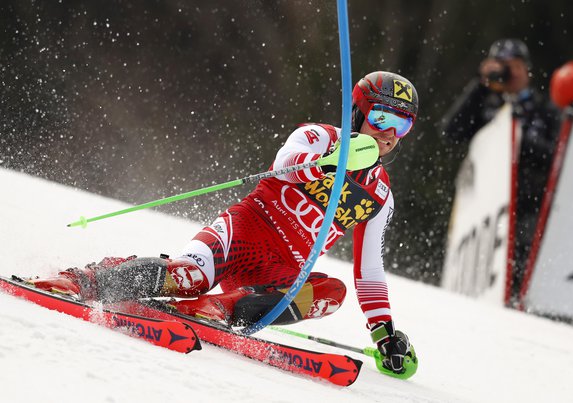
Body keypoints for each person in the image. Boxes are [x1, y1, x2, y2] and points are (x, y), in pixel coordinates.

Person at [29, 71, 419, 376]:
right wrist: (332, 161)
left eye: (400, 126)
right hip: (244, 231)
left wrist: (383, 332)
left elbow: (369, 270)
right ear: (358, 112)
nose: (387, 132)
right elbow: (286, 163)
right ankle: (83, 280)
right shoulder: (320, 137)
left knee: (331, 292)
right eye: (381, 116)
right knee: (187, 277)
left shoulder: (380, 197)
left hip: (279, 269)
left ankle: (216, 309)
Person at [440, 38, 560, 304]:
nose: (509, 73)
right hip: (487, 206)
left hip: (529, 203)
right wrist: (481, 86)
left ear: (527, 70)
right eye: (503, 66)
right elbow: (451, 132)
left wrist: (520, 142)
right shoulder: (485, 103)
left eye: (514, 66)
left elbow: (556, 153)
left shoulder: (541, 109)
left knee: (522, 265)